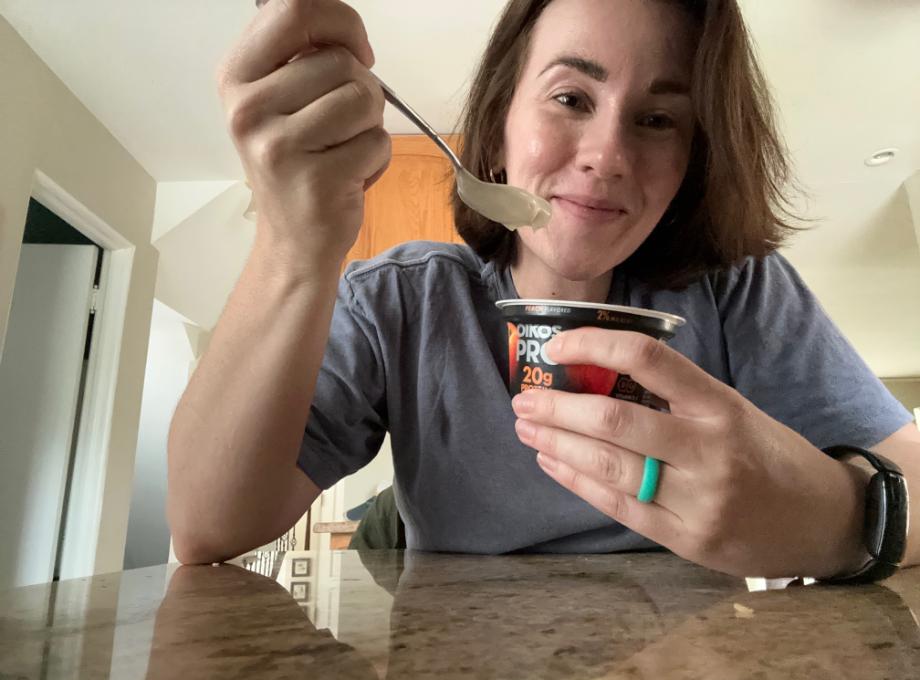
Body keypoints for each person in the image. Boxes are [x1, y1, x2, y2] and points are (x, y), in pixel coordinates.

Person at [167, 0, 920, 580]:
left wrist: (840, 518)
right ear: (497, 129)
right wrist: (294, 245)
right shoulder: (400, 302)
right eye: (570, 99)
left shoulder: (737, 294)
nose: (608, 155)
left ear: (693, 161)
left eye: (659, 119)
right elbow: (207, 524)